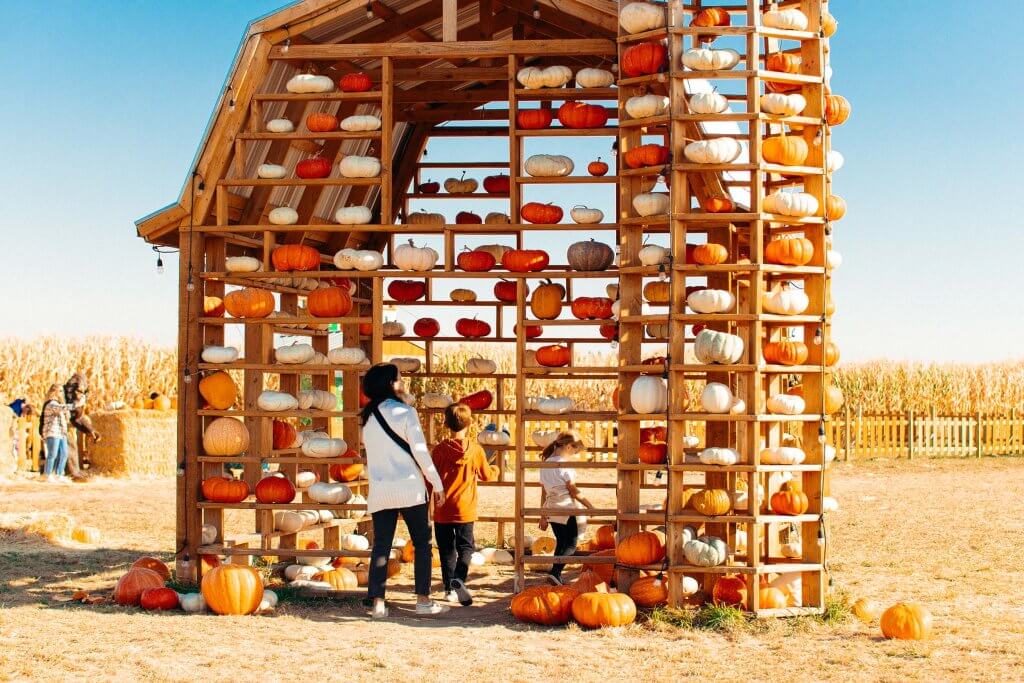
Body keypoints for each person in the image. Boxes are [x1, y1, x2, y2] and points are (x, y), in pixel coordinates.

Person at [360, 363, 448, 618]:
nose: (402, 382)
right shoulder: (406, 413)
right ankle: (423, 599)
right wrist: (437, 484)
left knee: (381, 546)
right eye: (399, 379)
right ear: (391, 384)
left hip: (381, 489)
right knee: (422, 543)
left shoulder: (367, 418)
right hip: (410, 487)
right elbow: (420, 453)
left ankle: (377, 602)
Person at [431, 403, 499, 606]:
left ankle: (449, 590)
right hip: (465, 509)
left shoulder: (439, 450)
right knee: (467, 548)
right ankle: (459, 579)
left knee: (446, 550)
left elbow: (430, 478)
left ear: (446, 424)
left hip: (442, 509)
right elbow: (486, 475)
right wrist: (495, 469)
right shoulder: (476, 450)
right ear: (470, 424)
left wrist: (430, 504)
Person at [537, 431, 594, 585]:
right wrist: (589, 506)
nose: (574, 455)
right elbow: (573, 491)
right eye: (575, 452)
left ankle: (556, 574)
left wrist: (543, 515)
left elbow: (544, 493)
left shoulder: (545, 464)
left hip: (551, 509)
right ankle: (555, 571)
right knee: (570, 544)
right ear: (568, 447)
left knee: (561, 542)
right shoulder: (564, 465)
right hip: (566, 509)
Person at [40, 384, 70, 482]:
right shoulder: (51, 403)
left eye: (62, 391)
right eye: (60, 391)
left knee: (64, 453)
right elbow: (60, 408)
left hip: (61, 433)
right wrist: (75, 404)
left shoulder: (58, 403)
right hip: (52, 432)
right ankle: (47, 474)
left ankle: (59, 474)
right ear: (54, 392)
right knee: (52, 454)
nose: (62, 393)